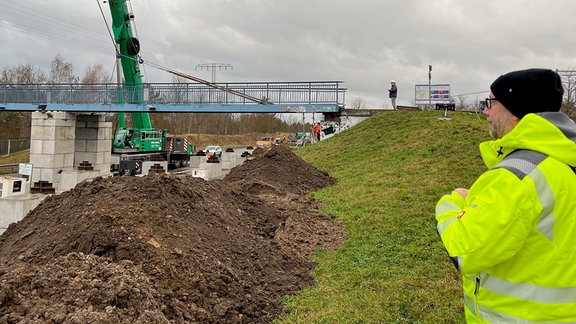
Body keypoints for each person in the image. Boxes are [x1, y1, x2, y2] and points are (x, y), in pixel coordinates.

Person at [435, 68, 576, 322]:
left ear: (515, 107)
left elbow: (465, 250)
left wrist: (452, 201)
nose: (485, 111)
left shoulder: (515, 177)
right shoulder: (564, 160)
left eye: (491, 103)